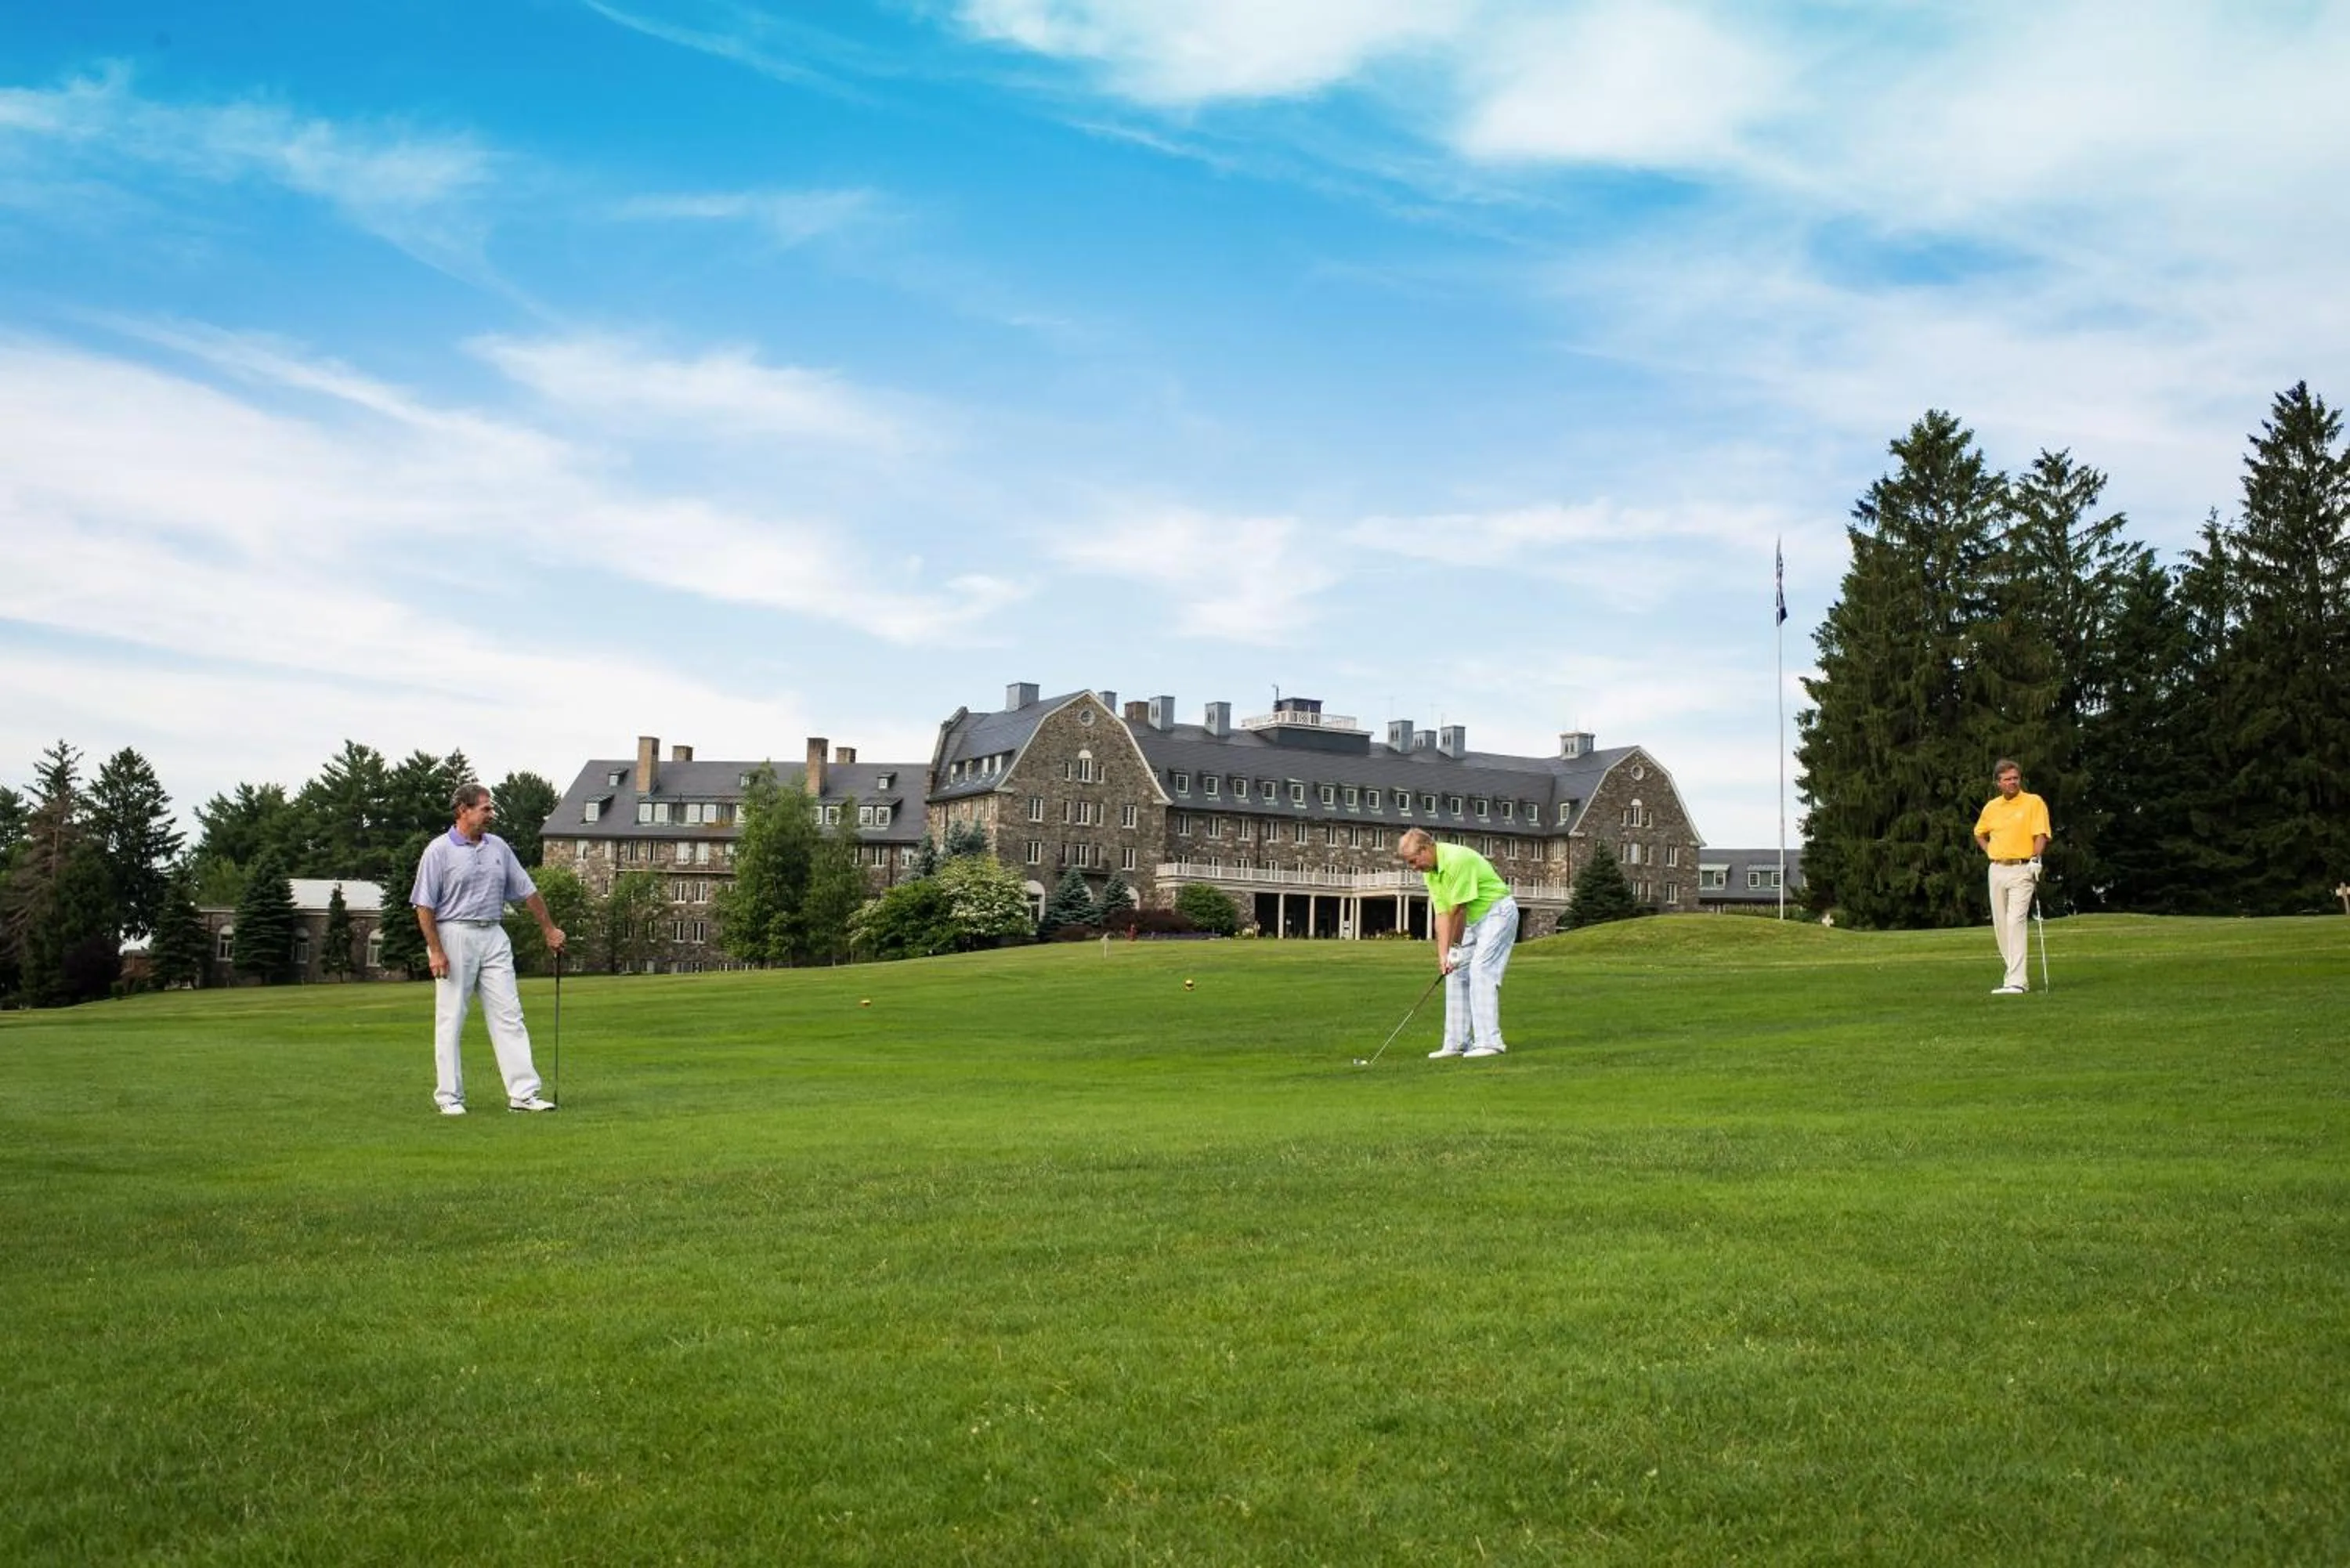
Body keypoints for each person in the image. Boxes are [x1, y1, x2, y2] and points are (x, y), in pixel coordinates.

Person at [412, 782, 566, 1114]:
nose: (491, 814)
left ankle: (523, 1094)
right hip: (454, 934)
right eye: (485, 808)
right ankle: (449, 1098)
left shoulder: (498, 847)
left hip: (494, 933)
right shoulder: (438, 851)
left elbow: (528, 890)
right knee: (451, 1017)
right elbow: (424, 906)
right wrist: (436, 950)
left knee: (509, 1014)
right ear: (463, 811)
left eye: (491, 808)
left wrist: (549, 929)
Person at [1397, 828, 1519, 1059]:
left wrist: (1454, 950)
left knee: (1481, 969)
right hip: (1475, 920)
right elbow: (1442, 915)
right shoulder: (1431, 872)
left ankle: (1490, 1042)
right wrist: (1443, 957)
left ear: (1426, 849)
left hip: (1498, 912)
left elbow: (1458, 912)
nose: (1414, 867)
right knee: (1454, 973)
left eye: (1414, 861)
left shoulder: (1456, 860)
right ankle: (1457, 1043)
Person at [1972, 758, 2051, 996]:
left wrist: (2036, 859)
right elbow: (1979, 833)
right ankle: (2013, 975)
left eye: (2015, 778)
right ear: (1998, 783)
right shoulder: (1991, 807)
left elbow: (2041, 834)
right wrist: (1989, 851)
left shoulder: (2033, 802)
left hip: (2022, 869)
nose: (2012, 782)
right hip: (1996, 869)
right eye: (2007, 779)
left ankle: (2017, 981)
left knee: (2015, 922)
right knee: (2001, 926)